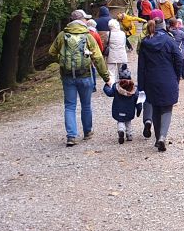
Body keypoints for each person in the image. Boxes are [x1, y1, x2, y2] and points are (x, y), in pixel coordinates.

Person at [48, 10, 111, 146]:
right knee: (86, 105)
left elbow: (51, 52)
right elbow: (98, 58)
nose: (87, 21)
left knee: (70, 106)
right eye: (85, 19)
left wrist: (61, 60)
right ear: (81, 20)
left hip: (67, 76)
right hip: (85, 75)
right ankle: (87, 132)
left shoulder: (62, 35)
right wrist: (106, 77)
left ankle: (71, 136)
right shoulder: (88, 36)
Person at [137, 19, 184, 152]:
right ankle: (162, 137)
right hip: (168, 78)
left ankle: (158, 137)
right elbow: (179, 58)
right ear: (163, 26)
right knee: (167, 109)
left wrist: (141, 87)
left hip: (151, 80)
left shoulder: (145, 43)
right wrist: (177, 75)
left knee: (156, 109)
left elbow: (141, 67)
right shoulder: (169, 40)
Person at [103, 64, 143, 144]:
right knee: (128, 121)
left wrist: (106, 86)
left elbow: (109, 93)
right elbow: (138, 101)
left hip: (118, 109)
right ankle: (129, 135)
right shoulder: (134, 89)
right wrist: (139, 110)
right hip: (129, 110)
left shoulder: (116, 87)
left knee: (120, 121)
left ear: (119, 78)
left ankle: (121, 130)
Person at [86, 19, 104, 92]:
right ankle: (93, 85)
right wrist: (100, 53)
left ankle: (89, 85)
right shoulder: (95, 33)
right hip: (93, 54)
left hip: (85, 54)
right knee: (92, 70)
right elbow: (100, 45)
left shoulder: (85, 33)